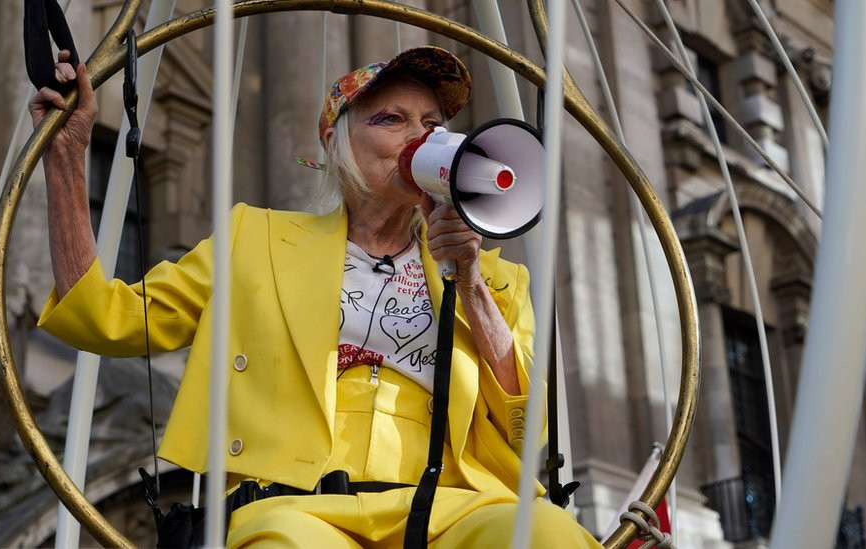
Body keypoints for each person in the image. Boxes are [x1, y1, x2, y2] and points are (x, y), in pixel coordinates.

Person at [33, 45, 602, 548]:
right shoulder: (253, 240)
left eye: (433, 122)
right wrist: (66, 159)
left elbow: (532, 433)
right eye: (392, 119)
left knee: (551, 534)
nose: (420, 136)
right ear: (335, 140)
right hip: (298, 506)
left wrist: (471, 284)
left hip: (451, 506)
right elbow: (106, 319)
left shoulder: (498, 277)